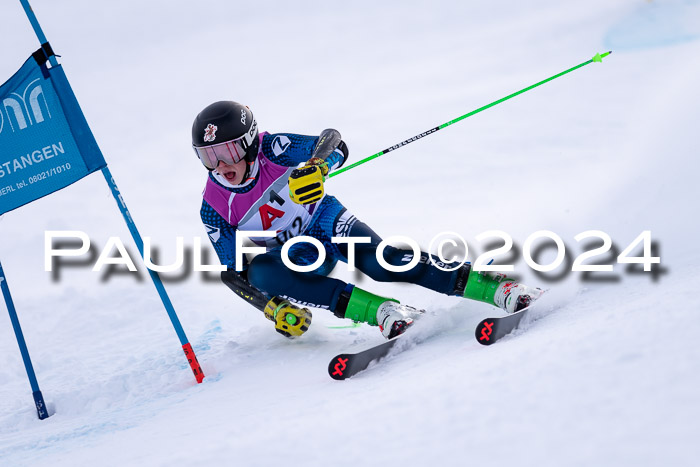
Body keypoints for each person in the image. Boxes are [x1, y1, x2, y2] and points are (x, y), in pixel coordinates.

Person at [193, 101, 542, 339]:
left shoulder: (274, 149)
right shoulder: (213, 205)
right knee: (261, 273)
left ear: (251, 141)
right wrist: (272, 307)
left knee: (380, 262)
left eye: (228, 151)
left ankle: (495, 287)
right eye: (209, 156)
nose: (221, 164)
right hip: (295, 257)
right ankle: (383, 312)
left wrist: (319, 166)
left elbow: (334, 142)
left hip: (324, 220)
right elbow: (234, 272)